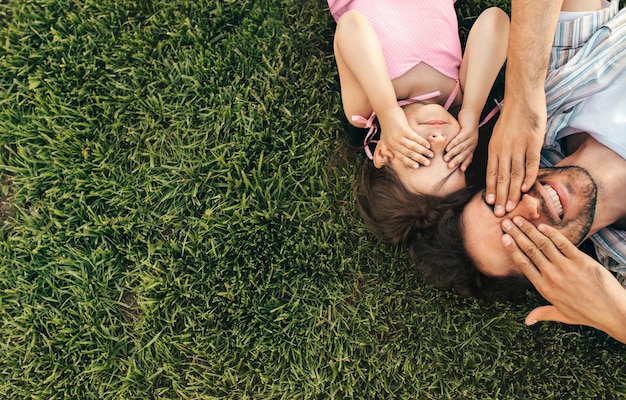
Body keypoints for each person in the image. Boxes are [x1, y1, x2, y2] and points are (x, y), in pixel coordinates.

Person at [409, 0, 626, 343]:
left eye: (501, 202)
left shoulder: (558, 91)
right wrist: (618, 316)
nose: (530, 207)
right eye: (526, 243)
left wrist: (524, 93)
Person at [329, 0, 509, 196]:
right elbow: (495, 20)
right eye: (451, 155)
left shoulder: (365, 109)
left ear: (383, 152)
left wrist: (387, 111)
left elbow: (351, 24)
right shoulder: (457, 97)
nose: (439, 140)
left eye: (423, 156)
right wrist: (471, 111)